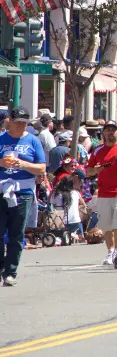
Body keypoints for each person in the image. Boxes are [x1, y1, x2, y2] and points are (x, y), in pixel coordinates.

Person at [0, 107, 47, 286]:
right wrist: (1, 162)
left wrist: (24, 164)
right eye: (18, 122)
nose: (21, 125)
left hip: (23, 191)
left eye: (24, 123)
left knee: (16, 233)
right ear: (10, 121)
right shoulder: (1, 139)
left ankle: (10, 271)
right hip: (2, 188)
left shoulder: (33, 141)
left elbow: (42, 168)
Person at [86, 121, 117, 266]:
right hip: (103, 193)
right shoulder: (97, 150)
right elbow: (88, 171)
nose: (109, 133)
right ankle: (110, 251)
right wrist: (95, 170)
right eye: (107, 130)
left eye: (112, 130)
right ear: (103, 133)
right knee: (106, 225)